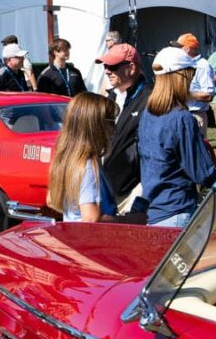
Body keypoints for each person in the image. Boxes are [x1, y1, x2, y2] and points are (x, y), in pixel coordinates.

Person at [135, 53, 213, 228]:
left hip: (152, 208)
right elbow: (201, 173)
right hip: (176, 209)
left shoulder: (148, 113)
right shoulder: (182, 119)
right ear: (182, 76)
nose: (191, 81)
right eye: (191, 75)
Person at [44, 91, 116, 222]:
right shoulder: (88, 167)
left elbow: (51, 200)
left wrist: (74, 216)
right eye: (111, 122)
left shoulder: (66, 159)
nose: (114, 128)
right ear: (95, 127)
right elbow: (91, 219)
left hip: (73, 237)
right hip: (94, 240)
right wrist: (126, 220)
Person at [94, 42, 148, 209]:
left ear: (131, 68)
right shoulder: (110, 98)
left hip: (133, 191)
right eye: (105, 66)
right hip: (107, 187)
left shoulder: (149, 100)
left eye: (113, 66)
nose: (107, 70)